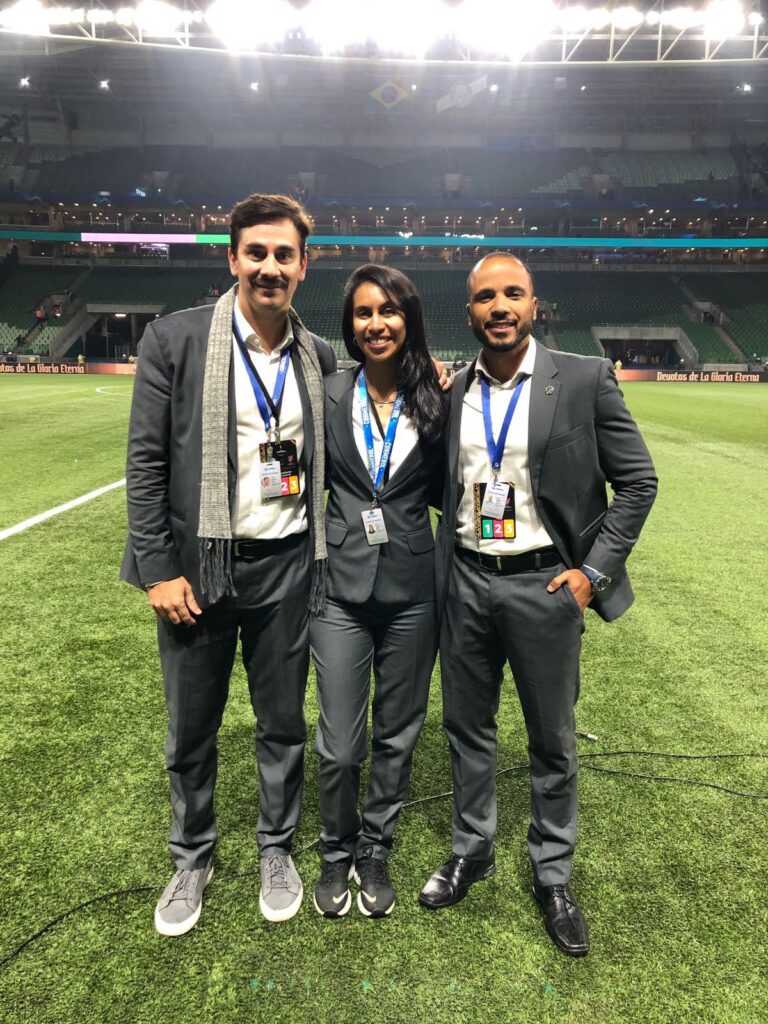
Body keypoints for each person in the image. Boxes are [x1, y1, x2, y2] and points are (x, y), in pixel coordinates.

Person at [419, 253, 657, 958]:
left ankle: (552, 874)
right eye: (485, 297)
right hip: (463, 580)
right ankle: (474, 849)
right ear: (469, 312)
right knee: (468, 730)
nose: (499, 307)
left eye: (512, 294)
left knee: (551, 739)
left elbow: (638, 484)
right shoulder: (453, 388)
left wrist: (591, 574)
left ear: (533, 304)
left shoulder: (583, 378)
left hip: (546, 585)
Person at [121, 193, 337, 936]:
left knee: (282, 724)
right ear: (232, 258)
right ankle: (192, 857)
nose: (269, 267)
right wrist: (157, 568)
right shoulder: (174, 340)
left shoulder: (319, 356)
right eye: (257, 252)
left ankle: (277, 849)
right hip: (196, 571)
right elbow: (145, 464)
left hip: (286, 568)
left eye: (284, 255)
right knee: (191, 729)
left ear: (303, 266)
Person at [310, 265, 446, 919]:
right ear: (351, 324)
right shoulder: (330, 389)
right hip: (339, 585)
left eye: (389, 311)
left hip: (414, 588)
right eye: (364, 313)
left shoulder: (436, 397)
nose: (376, 323)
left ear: (408, 319)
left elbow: (456, 487)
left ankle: (374, 846)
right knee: (340, 741)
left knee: (398, 732)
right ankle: (335, 847)